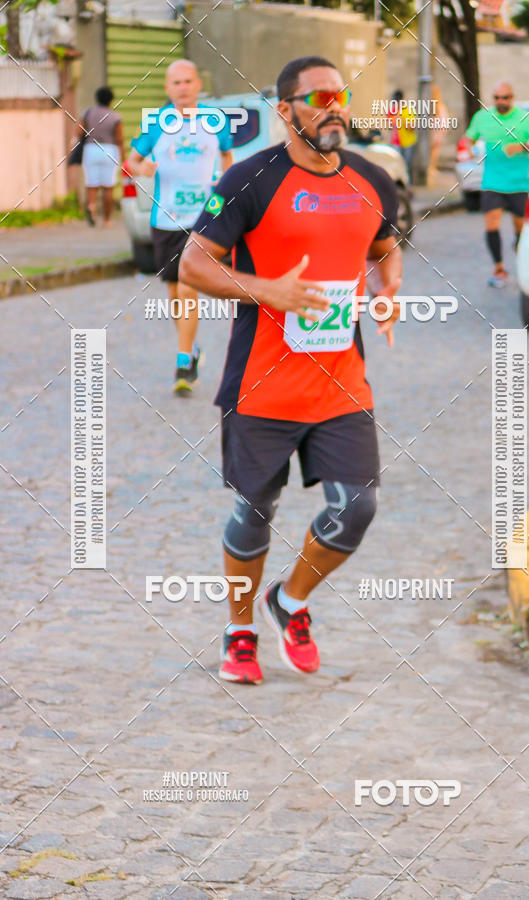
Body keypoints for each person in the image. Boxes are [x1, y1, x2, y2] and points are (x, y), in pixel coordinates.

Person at [179, 56, 402, 685]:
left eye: (343, 94)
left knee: (356, 509)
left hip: (341, 382)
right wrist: (265, 291)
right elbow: (194, 267)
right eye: (320, 96)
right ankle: (241, 630)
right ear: (286, 110)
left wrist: (388, 290)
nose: (336, 106)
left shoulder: (371, 178)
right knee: (256, 511)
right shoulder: (250, 179)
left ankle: (292, 600)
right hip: (262, 384)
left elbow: (386, 247)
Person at [126, 59, 233, 394]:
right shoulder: (156, 123)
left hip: (201, 220)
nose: (183, 87)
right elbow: (131, 161)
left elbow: (228, 158)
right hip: (165, 219)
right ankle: (191, 347)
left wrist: (222, 190)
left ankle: (183, 362)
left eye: (188, 81)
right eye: (176, 83)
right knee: (174, 293)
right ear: (167, 88)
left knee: (188, 287)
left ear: (198, 84)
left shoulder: (216, 123)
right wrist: (142, 170)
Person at [464, 82, 529, 288]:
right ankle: (499, 268)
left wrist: (522, 147)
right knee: (492, 224)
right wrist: (470, 149)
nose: (501, 102)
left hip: (519, 184)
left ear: (512, 98)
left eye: (506, 97)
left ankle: (521, 257)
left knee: (521, 229)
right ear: (493, 99)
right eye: (497, 98)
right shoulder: (482, 118)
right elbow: (468, 138)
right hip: (492, 182)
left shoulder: (526, 119)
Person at [78, 87, 124, 227]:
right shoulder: (115, 117)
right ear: (111, 100)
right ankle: (107, 220)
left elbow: (79, 131)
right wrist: (124, 158)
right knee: (108, 187)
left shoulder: (88, 112)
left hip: (91, 149)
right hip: (109, 150)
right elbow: (119, 139)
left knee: (91, 184)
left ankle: (91, 206)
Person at [390, 89, 417, 184]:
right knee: (397, 164)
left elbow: (412, 127)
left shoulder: (408, 110)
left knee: (406, 164)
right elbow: (389, 124)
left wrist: (404, 121)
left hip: (408, 142)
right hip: (396, 142)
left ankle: (407, 184)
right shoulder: (392, 111)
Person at [427, 84, 449, 188]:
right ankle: (431, 170)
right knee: (434, 153)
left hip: (435, 132)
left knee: (433, 153)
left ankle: (431, 170)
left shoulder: (435, 106)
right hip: (436, 132)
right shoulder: (437, 106)